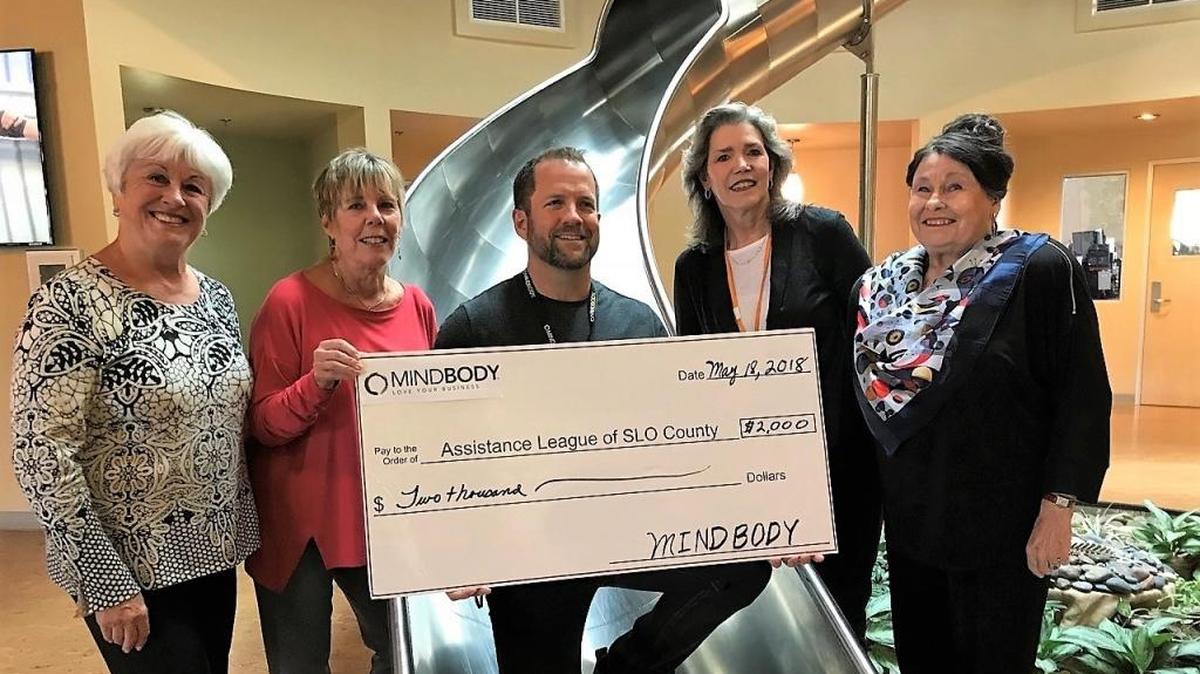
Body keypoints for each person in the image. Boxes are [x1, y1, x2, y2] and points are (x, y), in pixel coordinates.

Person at [435, 146, 772, 674]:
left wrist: (778, 506)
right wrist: (460, 546)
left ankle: (627, 666)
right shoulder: (474, 329)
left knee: (742, 565)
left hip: (630, 531)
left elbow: (678, 441)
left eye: (586, 204)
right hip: (532, 554)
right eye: (555, 203)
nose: (574, 216)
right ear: (521, 221)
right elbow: (441, 454)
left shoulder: (638, 323)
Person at [851, 113, 1110, 673]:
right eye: (922, 189)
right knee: (924, 658)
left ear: (992, 198)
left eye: (954, 187)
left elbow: (1082, 395)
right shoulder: (879, 286)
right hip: (914, 516)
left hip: (1002, 525)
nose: (934, 202)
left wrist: (1058, 507)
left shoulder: (1039, 269)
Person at [9, 110, 258, 673]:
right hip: (128, 569)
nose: (175, 196)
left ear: (207, 209)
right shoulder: (67, 303)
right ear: (119, 189)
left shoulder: (216, 298)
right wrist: (106, 583)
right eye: (156, 177)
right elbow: (41, 452)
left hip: (211, 555)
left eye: (193, 187)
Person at [672, 101, 881, 640]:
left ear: (773, 164)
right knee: (746, 596)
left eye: (752, 152)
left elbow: (875, 332)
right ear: (704, 175)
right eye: (724, 156)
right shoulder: (693, 267)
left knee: (840, 611)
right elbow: (692, 372)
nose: (741, 164)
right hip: (748, 468)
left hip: (838, 462)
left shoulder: (823, 233)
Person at [246, 148, 436, 674]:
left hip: (386, 520)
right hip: (299, 525)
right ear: (329, 221)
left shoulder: (419, 306)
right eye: (356, 205)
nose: (375, 217)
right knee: (300, 665)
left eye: (387, 204)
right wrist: (316, 384)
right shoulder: (288, 301)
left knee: (399, 655)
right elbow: (261, 425)